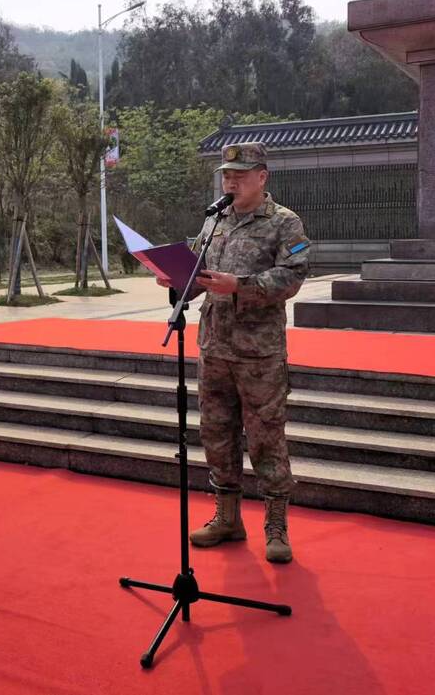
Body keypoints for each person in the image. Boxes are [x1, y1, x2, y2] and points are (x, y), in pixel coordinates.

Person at [166, 141, 309, 563]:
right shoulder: (215, 221)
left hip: (258, 352)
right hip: (215, 346)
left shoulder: (285, 223)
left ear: (262, 177)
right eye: (227, 175)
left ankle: (276, 525)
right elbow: (198, 275)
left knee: (266, 437)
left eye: (240, 175)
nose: (231, 182)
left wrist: (241, 286)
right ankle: (227, 517)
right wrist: (175, 278)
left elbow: (293, 276)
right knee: (216, 433)